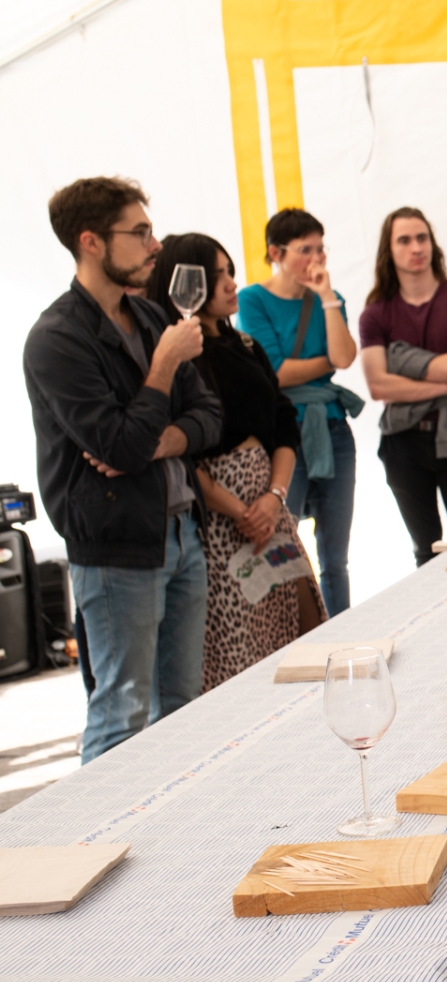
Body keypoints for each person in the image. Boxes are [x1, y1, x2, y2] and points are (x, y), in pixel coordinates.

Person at [25, 178, 221, 762]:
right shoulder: (56, 340)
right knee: (121, 715)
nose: (154, 244)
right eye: (139, 232)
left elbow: (209, 416)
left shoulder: (150, 314)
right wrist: (163, 367)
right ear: (90, 241)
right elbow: (119, 445)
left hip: (181, 533)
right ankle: (106, 823)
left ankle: (175, 819)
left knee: (183, 707)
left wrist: (161, 444)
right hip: (116, 550)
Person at [147, 234, 325, 692]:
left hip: (269, 506)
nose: (232, 284)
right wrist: (240, 511)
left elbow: (283, 423)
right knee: (243, 652)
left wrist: (274, 497)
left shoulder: (245, 345)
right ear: (187, 284)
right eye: (218, 275)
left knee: (307, 626)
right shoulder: (177, 356)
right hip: (217, 519)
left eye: (230, 271)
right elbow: (183, 451)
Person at [236, 208, 361, 615]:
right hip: (286, 435)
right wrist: (327, 363)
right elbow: (276, 372)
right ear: (276, 252)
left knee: (336, 558)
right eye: (305, 249)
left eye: (321, 249)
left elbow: (345, 357)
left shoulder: (330, 299)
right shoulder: (252, 300)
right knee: (283, 548)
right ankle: (294, 629)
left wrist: (327, 297)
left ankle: (340, 630)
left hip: (333, 430)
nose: (316, 259)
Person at [358, 207, 447, 566]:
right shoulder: (375, 314)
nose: (416, 248)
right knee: (426, 554)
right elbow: (378, 385)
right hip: (402, 445)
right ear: (388, 250)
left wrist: (401, 364)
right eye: (404, 240)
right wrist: (445, 386)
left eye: (422, 238)